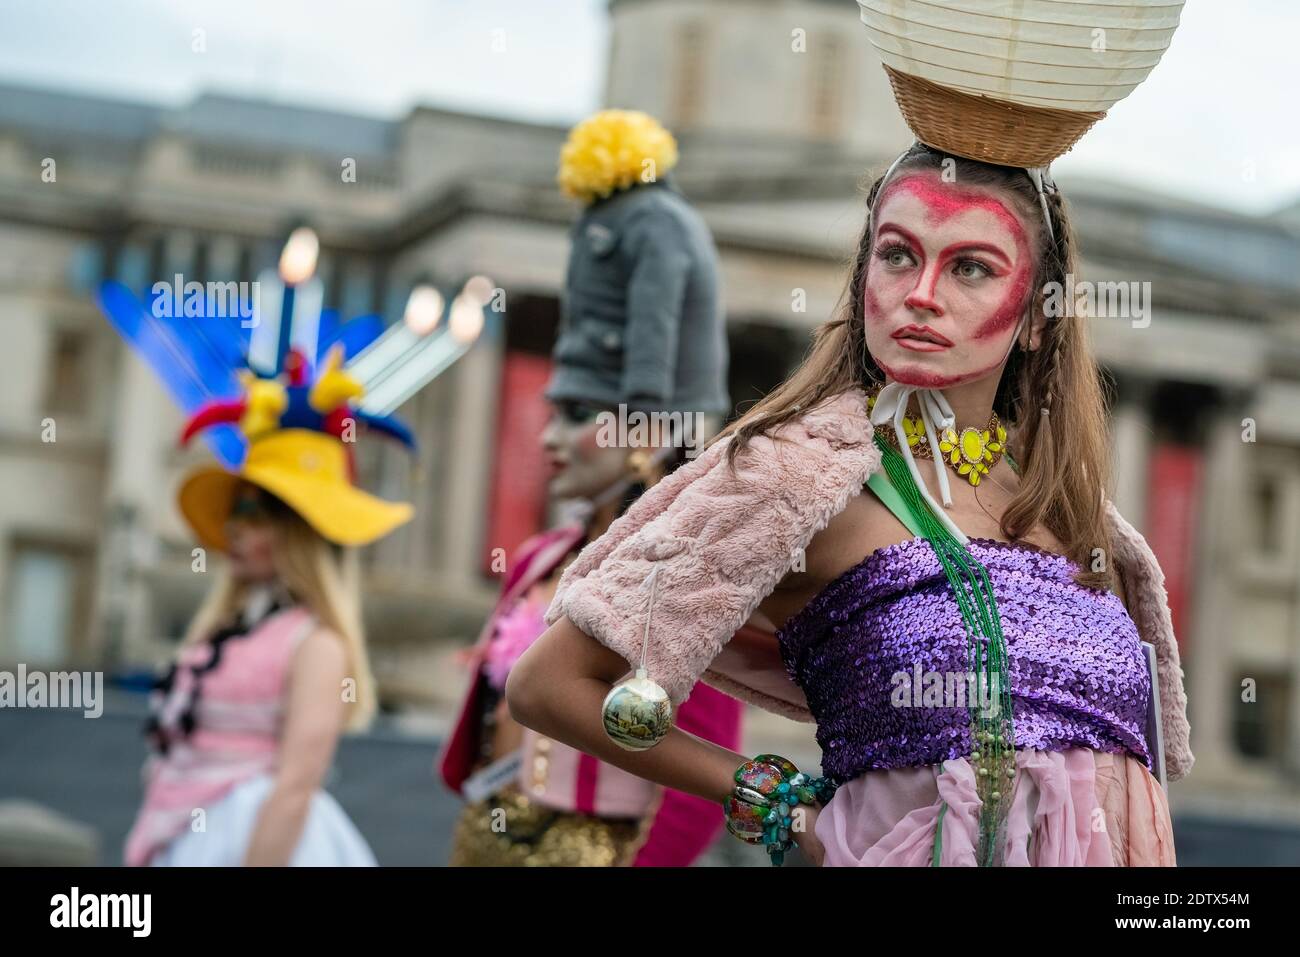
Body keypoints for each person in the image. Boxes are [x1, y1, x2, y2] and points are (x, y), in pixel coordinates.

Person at [505, 141, 1193, 867]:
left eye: (970, 268)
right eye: (897, 255)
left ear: (1036, 318)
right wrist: (778, 805)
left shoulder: (1072, 511)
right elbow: (550, 684)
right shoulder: (793, 474)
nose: (921, 292)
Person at [437, 108, 742, 866]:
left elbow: (705, 770)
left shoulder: (692, 569)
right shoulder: (545, 555)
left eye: (576, 414)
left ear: (645, 430)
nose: (545, 437)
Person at [123, 348, 414, 866]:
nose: (235, 528)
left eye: (257, 514)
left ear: (296, 531)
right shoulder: (225, 627)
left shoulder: (318, 644)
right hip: (183, 838)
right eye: (237, 511)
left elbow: (295, 787)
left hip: (257, 845)